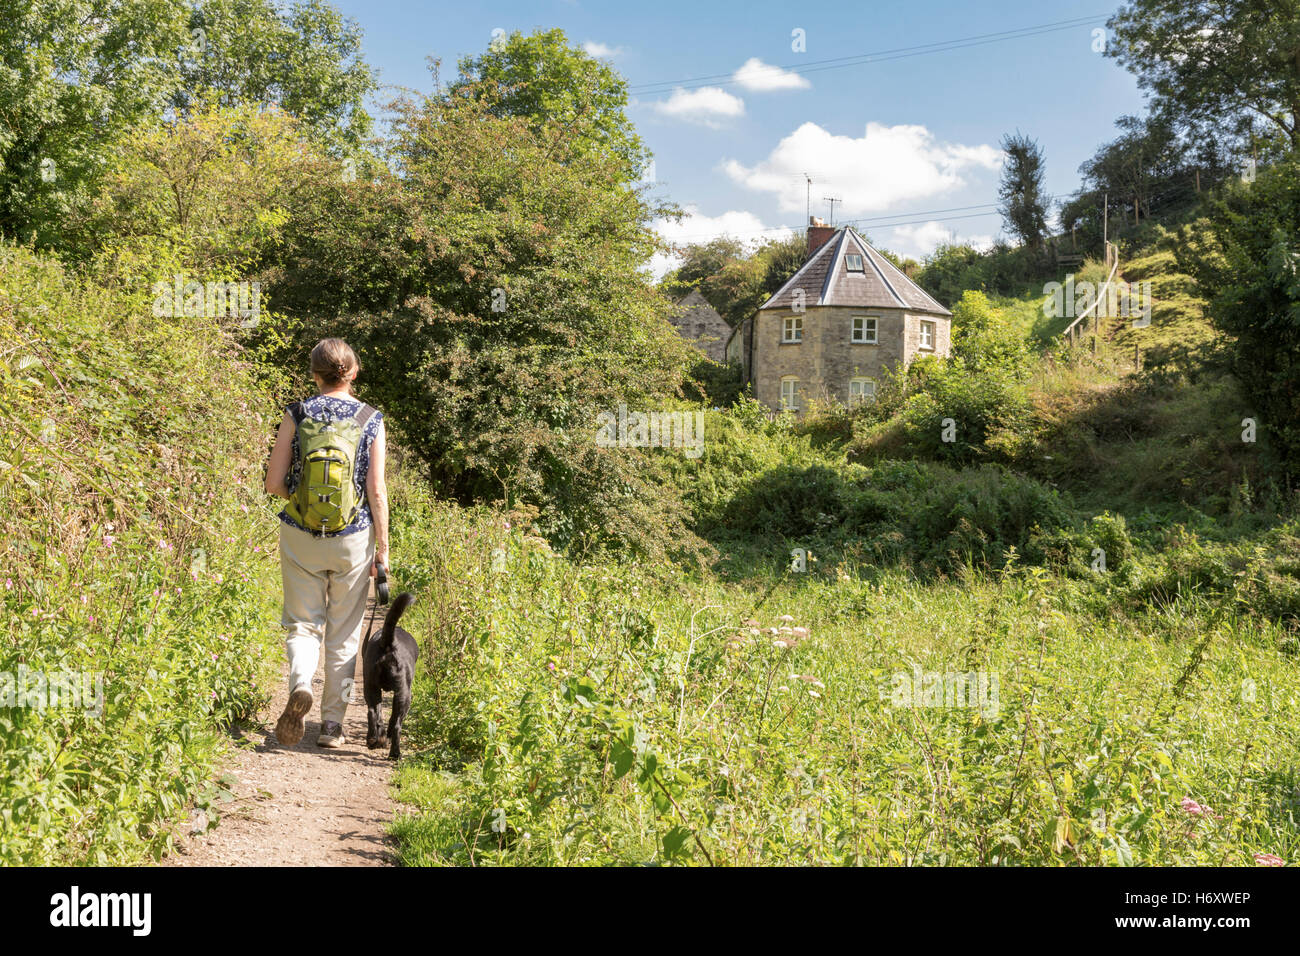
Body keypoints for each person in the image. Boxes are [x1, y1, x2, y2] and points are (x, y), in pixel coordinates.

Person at [264, 338, 388, 748]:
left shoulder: (297, 413)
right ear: (353, 373)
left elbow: (273, 483)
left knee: (302, 623)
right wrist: (382, 551)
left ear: (314, 374)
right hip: (353, 537)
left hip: (301, 535)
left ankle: (301, 683)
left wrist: (302, 502)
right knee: (344, 635)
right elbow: (377, 491)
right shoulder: (370, 418)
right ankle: (332, 726)